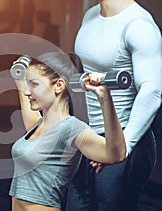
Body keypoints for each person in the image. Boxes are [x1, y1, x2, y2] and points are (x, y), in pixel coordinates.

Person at [66, 0, 162, 211]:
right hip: (89, 136)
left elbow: (152, 91)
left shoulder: (139, 25)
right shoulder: (91, 15)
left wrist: (120, 147)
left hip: (124, 137)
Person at [8, 51, 127, 211]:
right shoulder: (38, 125)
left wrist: (104, 96)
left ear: (58, 86)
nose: (28, 92)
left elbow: (116, 154)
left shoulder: (71, 128)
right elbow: (24, 92)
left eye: (34, 84)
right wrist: (20, 74)